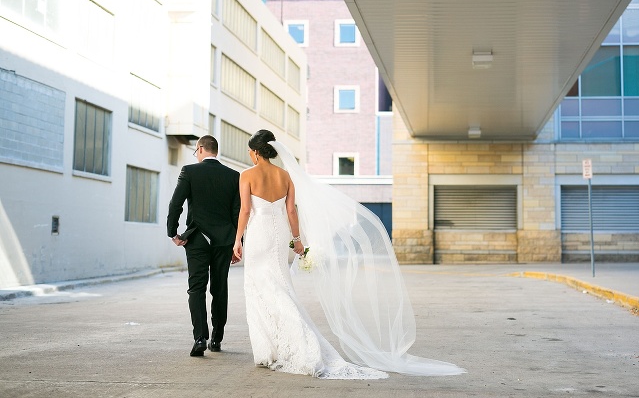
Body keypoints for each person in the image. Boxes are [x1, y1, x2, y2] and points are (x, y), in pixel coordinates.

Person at [233, 129, 465, 378]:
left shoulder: (247, 175)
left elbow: (246, 211)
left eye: (250, 150)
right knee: (281, 285)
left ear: (256, 151)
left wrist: (238, 240)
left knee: (260, 287)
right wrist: (297, 240)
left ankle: (273, 349)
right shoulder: (286, 176)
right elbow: (291, 212)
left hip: (259, 233)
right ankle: (283, 345)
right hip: (279, 235)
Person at [167, 135, 240, 357]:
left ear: (200, 149)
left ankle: (200, 337)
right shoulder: (233, 176)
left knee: (196, 288)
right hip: (224, 240)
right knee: (220, 288)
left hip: (197, 240)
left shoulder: (189, 172)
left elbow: (176, 203)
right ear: (215, 151)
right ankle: (217, 338)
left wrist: (173, 232)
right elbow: (237, 212)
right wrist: (238, 243)